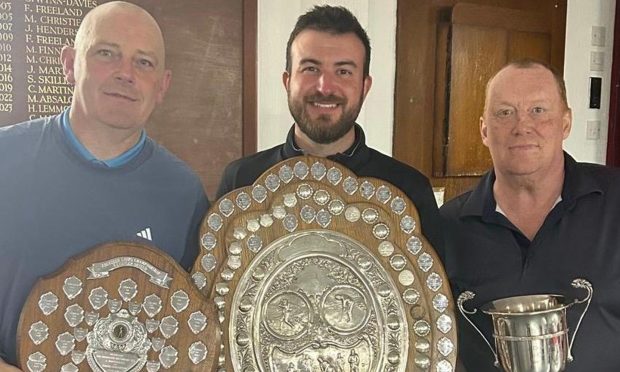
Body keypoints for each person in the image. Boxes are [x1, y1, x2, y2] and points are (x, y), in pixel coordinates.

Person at [0, 2, 209, 369]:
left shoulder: (184, 194)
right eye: (106, 53)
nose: (125, 73)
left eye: (143, 62)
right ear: (69, 63)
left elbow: (194, 332)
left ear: (163, 85)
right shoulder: (6, 159)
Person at [217, 5, 443, 256]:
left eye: (343, 71)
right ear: (287, 81)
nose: (325, 87)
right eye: (311, 69)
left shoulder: (408, 191)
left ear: (364, 87)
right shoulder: (241, 181)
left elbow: (428, 293)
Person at [440, 59, 620, 371]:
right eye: (504, 112)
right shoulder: (445, 228)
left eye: (538, 110)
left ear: (565, 123)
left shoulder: (616, 201)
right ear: (484, 129)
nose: (522, 126)